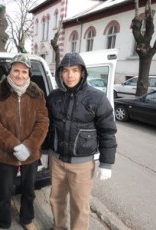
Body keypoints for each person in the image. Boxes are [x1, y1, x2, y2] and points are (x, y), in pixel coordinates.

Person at [45, 52, 117, 230]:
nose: (70, 75)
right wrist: (44, 150)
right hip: (57, 161)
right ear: (60, 73)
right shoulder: (53, 97)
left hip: (82, 165)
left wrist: (106, 163)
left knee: (79, 205)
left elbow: (107, 131)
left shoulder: (97, 98)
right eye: (66, 71)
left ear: (82, 73)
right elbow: (47, 125)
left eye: (75, 70)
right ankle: (58, 227)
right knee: (56, 200)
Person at [0, 54, 49, 230]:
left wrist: (29, 146)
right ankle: (4, 223)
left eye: (24, 71)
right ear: (10, 71)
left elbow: (43, 122)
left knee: (28, 191)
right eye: (16, 71)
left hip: (31, 153)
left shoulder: (37, 92)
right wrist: (14, 145)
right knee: (5, 192)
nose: (20, 75)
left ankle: (27, 219)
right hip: (6, 153)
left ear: (29, 74)